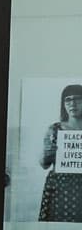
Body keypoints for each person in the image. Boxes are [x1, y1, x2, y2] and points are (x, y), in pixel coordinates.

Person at [37, 84, 82, 222]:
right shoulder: (54, 129)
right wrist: (48, 152)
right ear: (63, 104)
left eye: (78, 99)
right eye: (68, 100)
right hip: (60, 189)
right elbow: (44, 164)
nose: (72, 103)